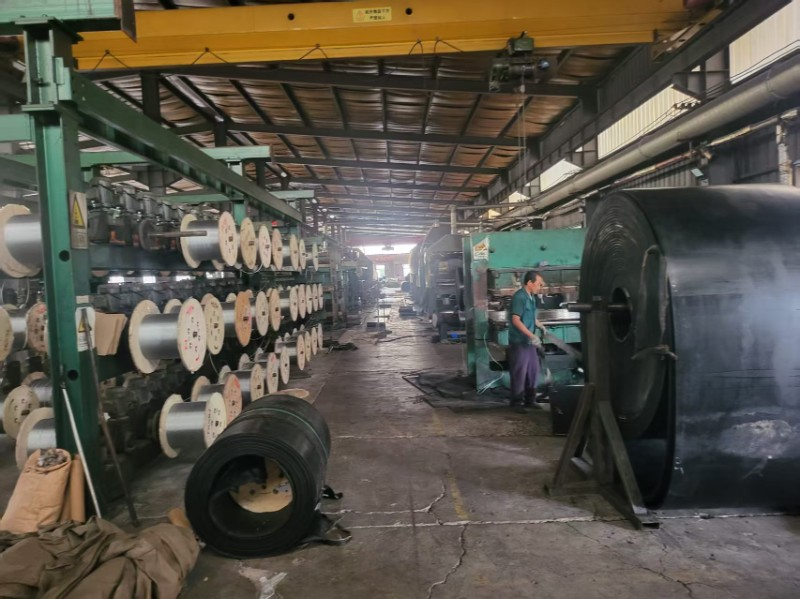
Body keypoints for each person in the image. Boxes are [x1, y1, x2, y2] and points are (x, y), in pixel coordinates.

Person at [508, 271, 546, 413]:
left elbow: (530, 316)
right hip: (520, 341)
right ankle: (517, 402)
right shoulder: (520, 297)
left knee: (533, 370)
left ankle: (530, 400)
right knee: (520, 371)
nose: (540, 287)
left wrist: (539, 325)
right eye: (539, 284)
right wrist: (531, 335)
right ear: (530, 283)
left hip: (529, 342)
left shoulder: (531, 297)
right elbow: (516, 320)